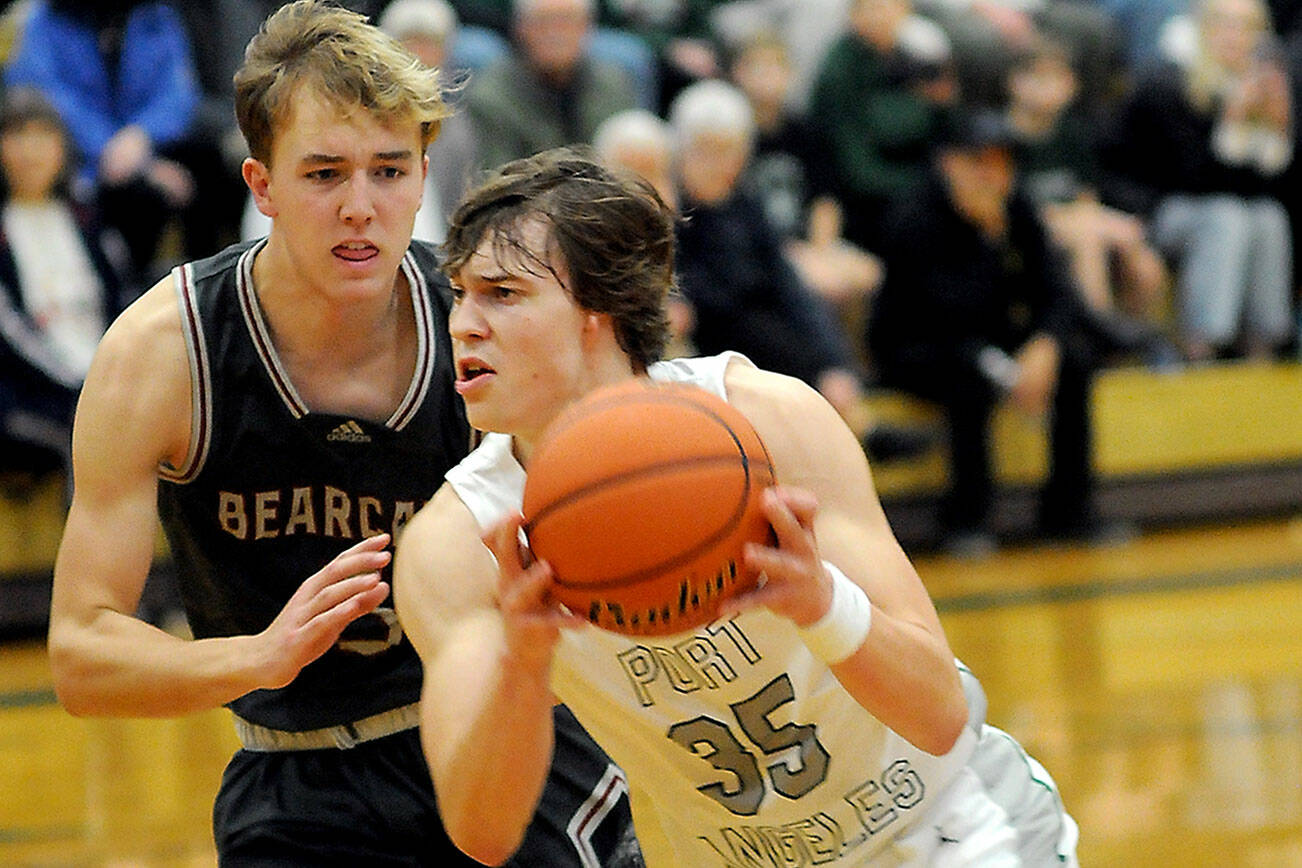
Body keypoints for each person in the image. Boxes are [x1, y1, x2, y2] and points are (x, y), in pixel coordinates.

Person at [45, 3, 637, 864]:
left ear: (425, 174)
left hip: (493, 736)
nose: (362, 206)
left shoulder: (483, 327)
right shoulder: (164, 352)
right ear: (263, 187)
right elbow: (81, 651)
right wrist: (259, 657)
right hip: (293, 782)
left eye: (390, 171)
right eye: (324, 174)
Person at [393, 146, 1079, 866]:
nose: (463, 323)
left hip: (948, 830)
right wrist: (525, 669)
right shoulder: (458, 544)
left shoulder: (768, 422)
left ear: (598, 308)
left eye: (503, 294)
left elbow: (939, 715)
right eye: (461, 293)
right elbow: (483, 831)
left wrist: (820, 603)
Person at [867, 109, 1119, 556]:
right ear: (949, 164)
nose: (993, 174)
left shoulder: (1017, 206)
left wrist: (1044, 345)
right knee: (969, 379)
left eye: (1002, 162)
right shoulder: (915, 218)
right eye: (979, 161)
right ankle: (966, 518)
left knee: (1073, 363)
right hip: (919, 348)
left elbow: (1057, 291)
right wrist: (989, 242)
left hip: (990, 341)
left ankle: (1068, 512)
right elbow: (949, 315)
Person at [1100, 0, 1295, 362]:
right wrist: (1232, 124)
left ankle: (1264, 343)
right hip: (1152, 207)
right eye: (1224, 24)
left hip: (1214, 205)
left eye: (1247, 27)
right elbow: (1193, 179)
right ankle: (1203, 343)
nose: (1235, 37)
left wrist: (1275, 133)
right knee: (1225, 216)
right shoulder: (1167, 81)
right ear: (1202, 26)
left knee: (1269, 217)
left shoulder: (1262, 85)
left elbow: (1268, 191)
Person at [5, 0, 239, 281]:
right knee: (134, 198)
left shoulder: (156, 14)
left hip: (146, 147)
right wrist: (110, 146)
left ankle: (210, 286)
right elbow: (44, 95)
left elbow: (178, 92)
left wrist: (141, 137)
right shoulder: (44, 19)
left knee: (209, 164)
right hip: (82, 160)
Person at [0, 87, 129, 479]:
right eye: (17, 136)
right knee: (85, 439)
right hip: (35, 392)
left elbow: (122, 302)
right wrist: (79, 386)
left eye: (43, 135)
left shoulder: (89, 219)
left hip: (104, 377)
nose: (31, 151)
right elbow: (10, 332)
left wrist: (110, 373)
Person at [464, 0, 640, 171]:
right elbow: (498, 178)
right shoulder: (491, 97)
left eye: (567, 21)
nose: (556, 33)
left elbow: (625, 168)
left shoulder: (612, 84)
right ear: (521, 28)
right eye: (544, 22)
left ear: (587, 27)